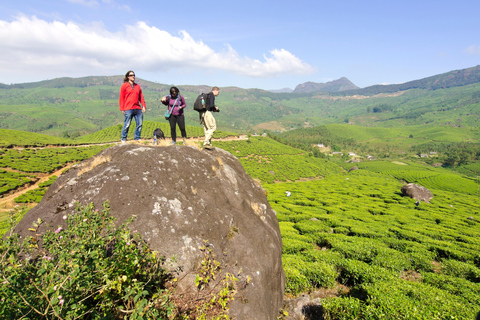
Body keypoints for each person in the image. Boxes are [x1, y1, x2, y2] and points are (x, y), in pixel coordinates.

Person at [119, 70, 146, 142]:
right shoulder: (124, 85)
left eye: (134, 75)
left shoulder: (138, 86)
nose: (133, 76)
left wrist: (143, 106)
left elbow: (141, 97)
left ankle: (137, 138)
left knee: (139, 124)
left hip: (137, 108)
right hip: (128, 108)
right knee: (127, 124)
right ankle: (123, 138)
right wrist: (122, 108)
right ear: (128, 77)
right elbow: (121, 97)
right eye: (131, 75)